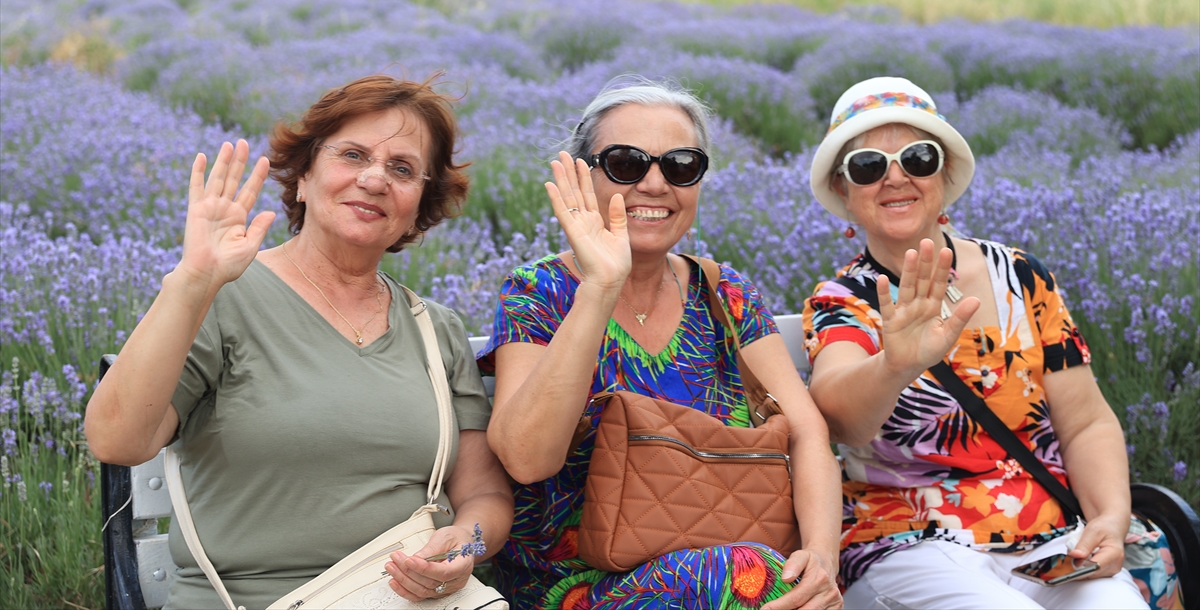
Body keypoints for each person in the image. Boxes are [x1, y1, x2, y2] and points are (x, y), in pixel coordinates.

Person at [85, 73, 513, 610]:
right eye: (353, 155)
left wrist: (465, 545)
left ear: (419, 204)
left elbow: (484, 496)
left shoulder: (435, 329)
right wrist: (191, 283)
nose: (375, 179)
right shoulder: (222, 297)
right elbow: (117, 441)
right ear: (305, 176)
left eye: (403, 169)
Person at [478, 78, 844, 610]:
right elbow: (525, 460)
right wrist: (600, 287)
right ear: (585, 175)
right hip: (579, 588)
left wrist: (822, 556)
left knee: (776, 581)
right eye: (626, 163)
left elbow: (808, 432)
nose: (654, 184)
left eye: (680, 166)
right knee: (749, 575)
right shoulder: (540, 292)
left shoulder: (725, 293)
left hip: (731, 570)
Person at [802, 76, 1149, 610]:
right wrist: (894, 366)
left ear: (943, 175)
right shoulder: (842, 301)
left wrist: (1109, 517)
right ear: (844, 192)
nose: (895, 178)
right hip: (908, 542)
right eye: (868, 166)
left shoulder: (1022, 277)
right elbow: (841, 419)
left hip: (1048, 539)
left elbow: (1085, 421)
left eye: (917, 158)